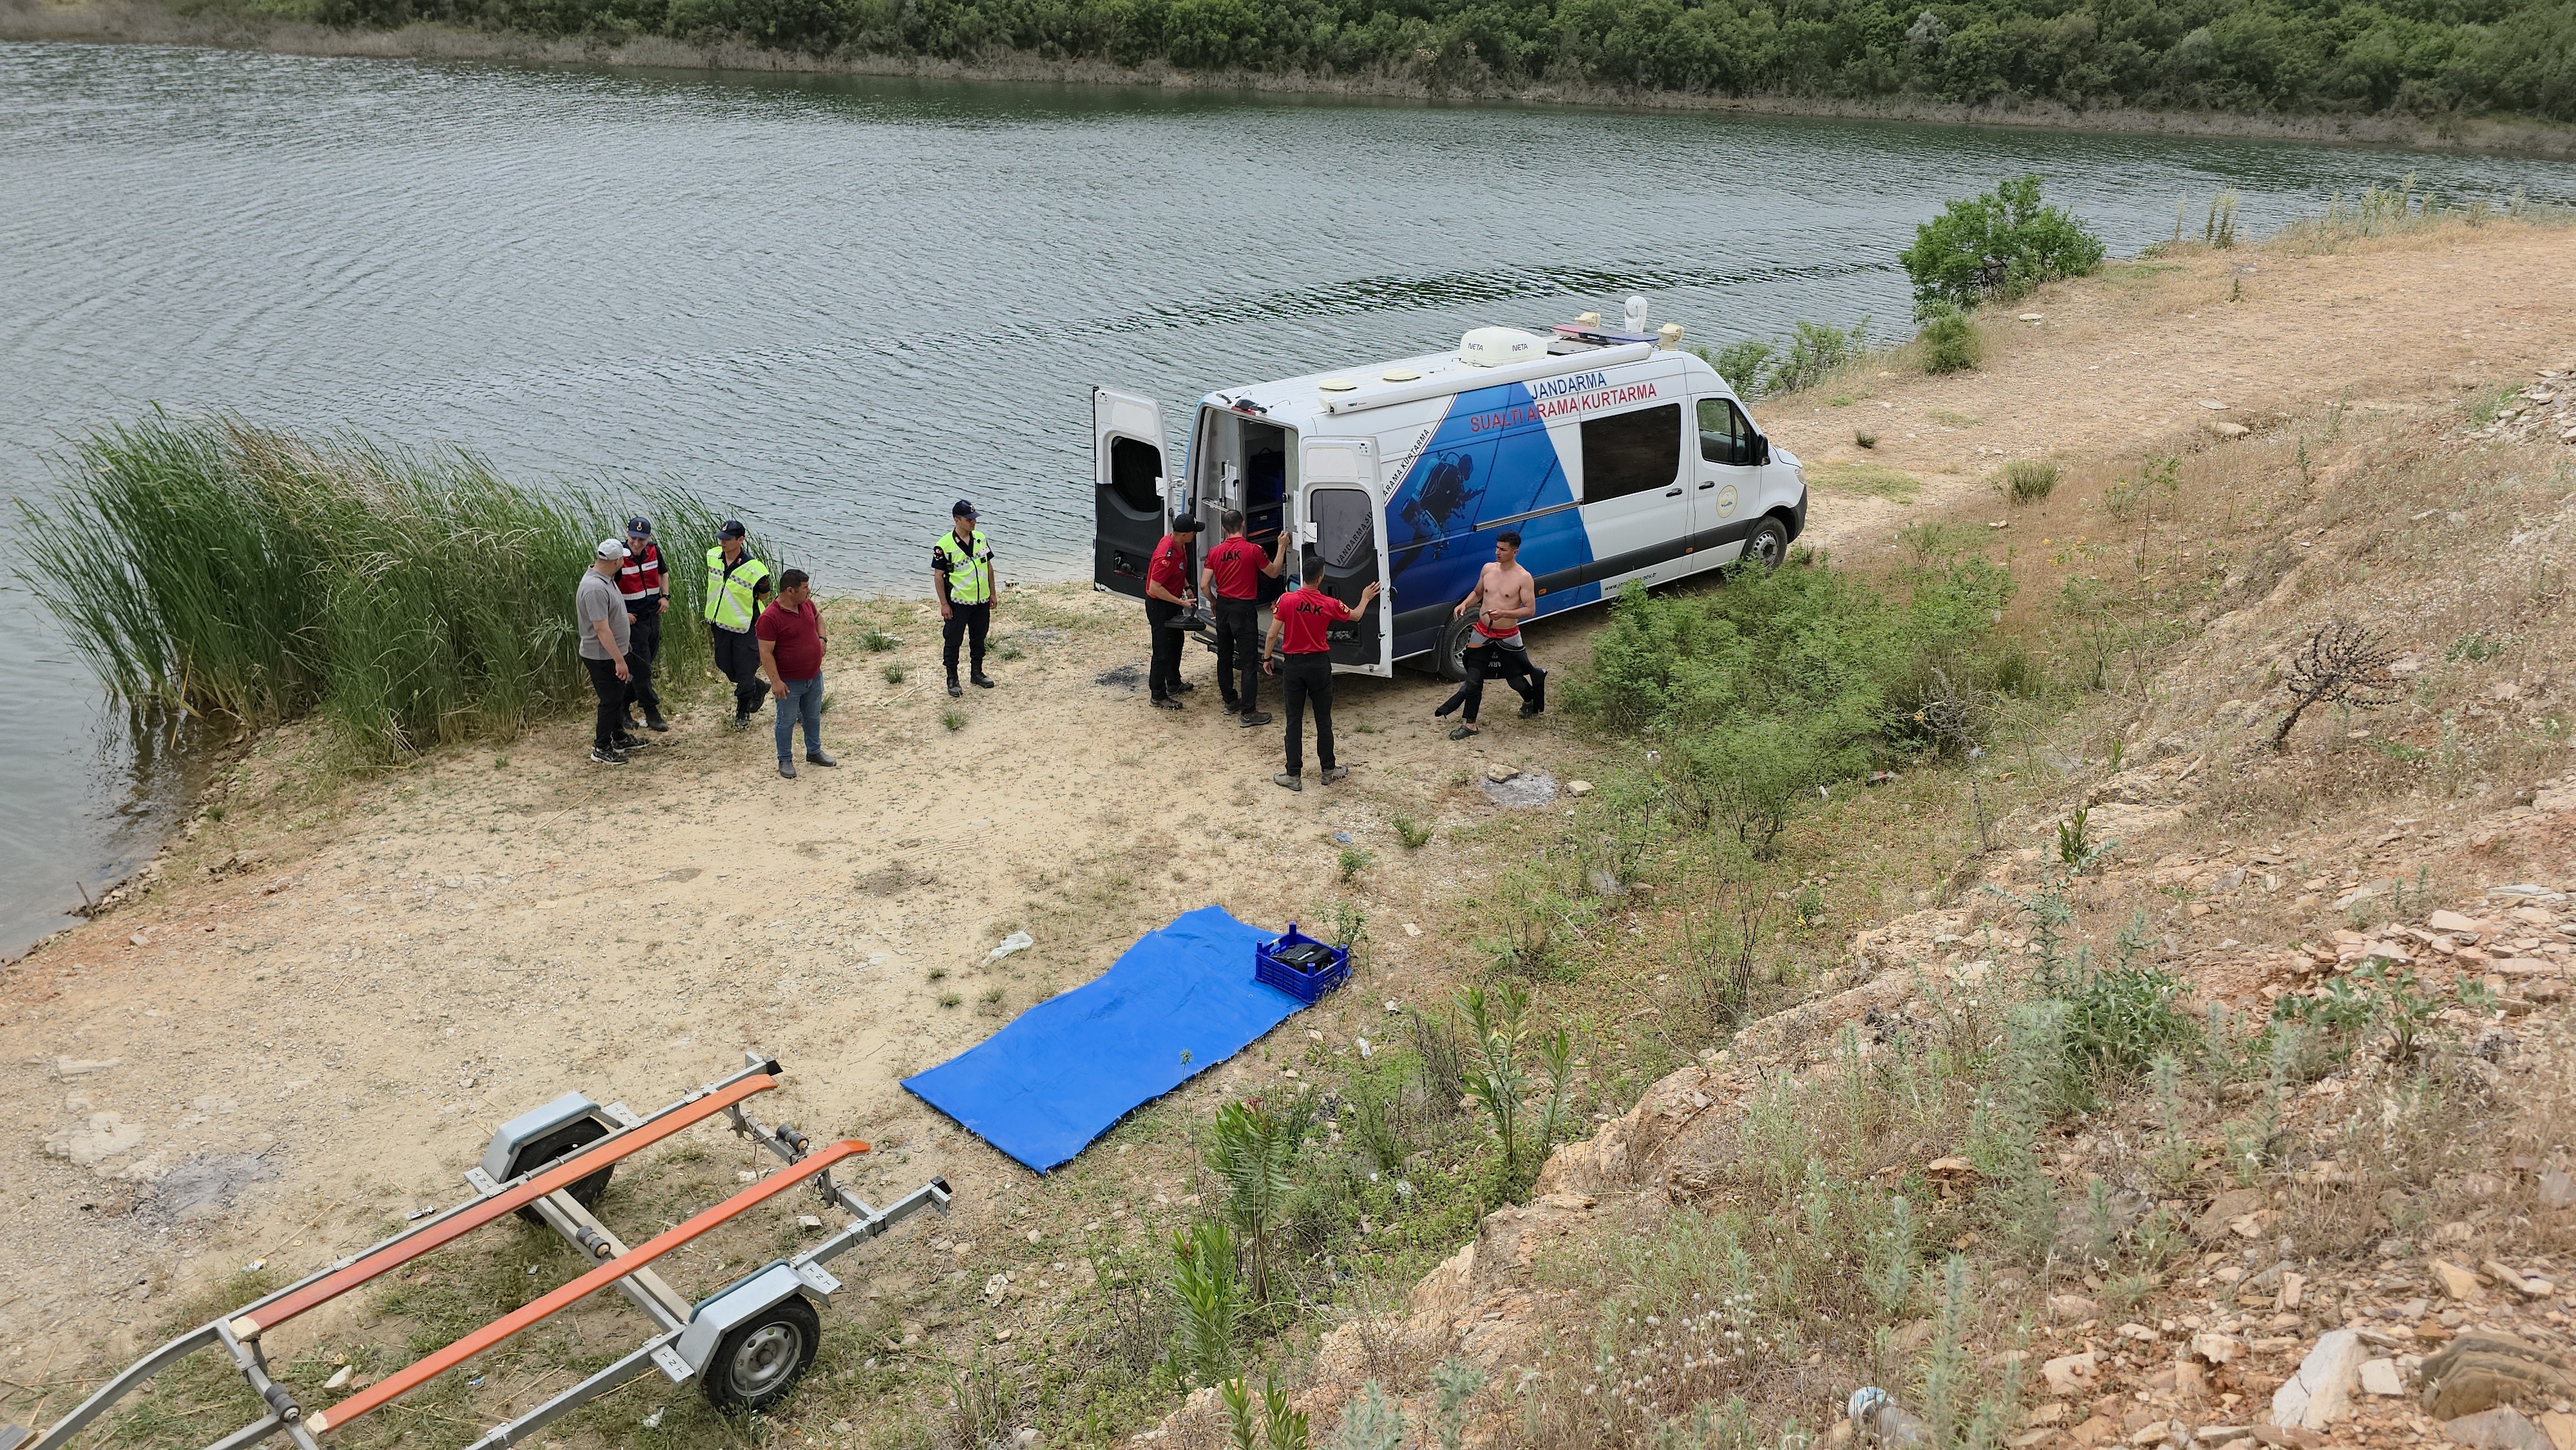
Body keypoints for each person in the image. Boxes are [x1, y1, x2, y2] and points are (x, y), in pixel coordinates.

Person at [1262, 551, 1379, 791]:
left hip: (1294, 665)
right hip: (1318, 665)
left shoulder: (1286, 600)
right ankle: (1328, 770)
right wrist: (1365, 597)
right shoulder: (1329, 604)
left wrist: (1267, 658)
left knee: (1294, 720)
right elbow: (1356, 615)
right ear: (1321, 578)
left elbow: (1273, 634)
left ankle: (1293, 775)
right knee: (1323, 718)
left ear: (1304, 576)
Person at [1432, 529, 1546, 740]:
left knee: (1514, 680)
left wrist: (1505, 613)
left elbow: (1530, 609)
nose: (1498, 552)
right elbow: (1477, 593)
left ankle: (1529, 701)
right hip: (1482, 633)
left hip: (1508, 635)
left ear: (1515, 552)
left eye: (1503, 549)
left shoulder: (1524, 578)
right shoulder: (1488, 570)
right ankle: (1470, 725)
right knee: (1474, 679)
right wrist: (1464, 604)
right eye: (1497, 548)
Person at [1199, 509, 1283, 727]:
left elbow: (1204, 584)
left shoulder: (1215, 552)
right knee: (1248, 661)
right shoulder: (1253, 550)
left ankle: (1230, 701)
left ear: (1224, 529)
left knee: (1224, 656)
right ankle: (1248, 712)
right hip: (1244, 609)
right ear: (1243, 525)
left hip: (1225, 606)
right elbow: (1273, 572)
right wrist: (1282, 547)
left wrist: (1213, 601)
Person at [755, 569, 835, 779]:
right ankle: (785, 759)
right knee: (787, 720)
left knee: (812, 717)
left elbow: (819, 619)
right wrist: (776, 682)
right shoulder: (770, 618)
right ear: (790, 590)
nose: (809, 591)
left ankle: (814, 752)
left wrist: (822, 640)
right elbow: (766, 653)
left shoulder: (806, 604)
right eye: (805, 588)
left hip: (813, 677)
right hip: (789, 682)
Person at [703, 520, 774, 728]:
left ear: (741, 540)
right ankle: (758, 687)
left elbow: (764, 595)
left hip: (746, 626)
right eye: (721, 538)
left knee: (744, 671)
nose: (722, 542)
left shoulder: (755, 569)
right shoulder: (712, 556)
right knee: (725, 665)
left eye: (728, 539)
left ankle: (742, 713)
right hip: (719, 622)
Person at [576, 539, 637, 765]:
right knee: (610, 700)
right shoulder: (594, 588)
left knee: (617, 697)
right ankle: (601, 747)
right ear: (616, 561)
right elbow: (601, 630)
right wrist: (619, 661)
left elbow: (612, 616)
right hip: (602, 656)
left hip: (614, 652)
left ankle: (618, 737)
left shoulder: (606, 579)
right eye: (622, 558)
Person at [932, 500, 998, 699]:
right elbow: (938, 576)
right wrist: (944, 604)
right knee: (953, 640)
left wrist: (993, 593)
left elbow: (988, 566)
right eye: (969, 520)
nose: (973, 523)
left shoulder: (980, 539)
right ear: (957, 520)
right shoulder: (944, 545)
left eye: (974, 519)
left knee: (979, 638)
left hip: (981, 601)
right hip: (958, 602)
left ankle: (976, 673)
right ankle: (952, 679)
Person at [615, 515, 671, 733]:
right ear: (627, 534)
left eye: (642, 539)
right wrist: (622, 613)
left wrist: (665, 596)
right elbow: (608, 589)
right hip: (632, 622)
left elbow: (663, 573)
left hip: (652, 616)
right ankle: (651, 712)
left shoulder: (654, 551)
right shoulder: (618, 556)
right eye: (633, 539)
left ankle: (621, 706)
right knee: (643, 668)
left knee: (643, 667)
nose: (637, 544)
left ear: (649, 537)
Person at [1143, 516, 1204, 710]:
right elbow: (1155, 587)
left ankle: (1174, 682)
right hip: (1160, 606)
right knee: (1162, 651)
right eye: (1194, 531)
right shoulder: (1166, 555)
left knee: (1176, 643)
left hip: (1173, 602)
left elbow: (1180, 570)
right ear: (1185, 534)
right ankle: (1158, 695)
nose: (1196, 534)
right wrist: (1181, 602)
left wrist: (1187, 587)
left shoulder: (1180, 545)